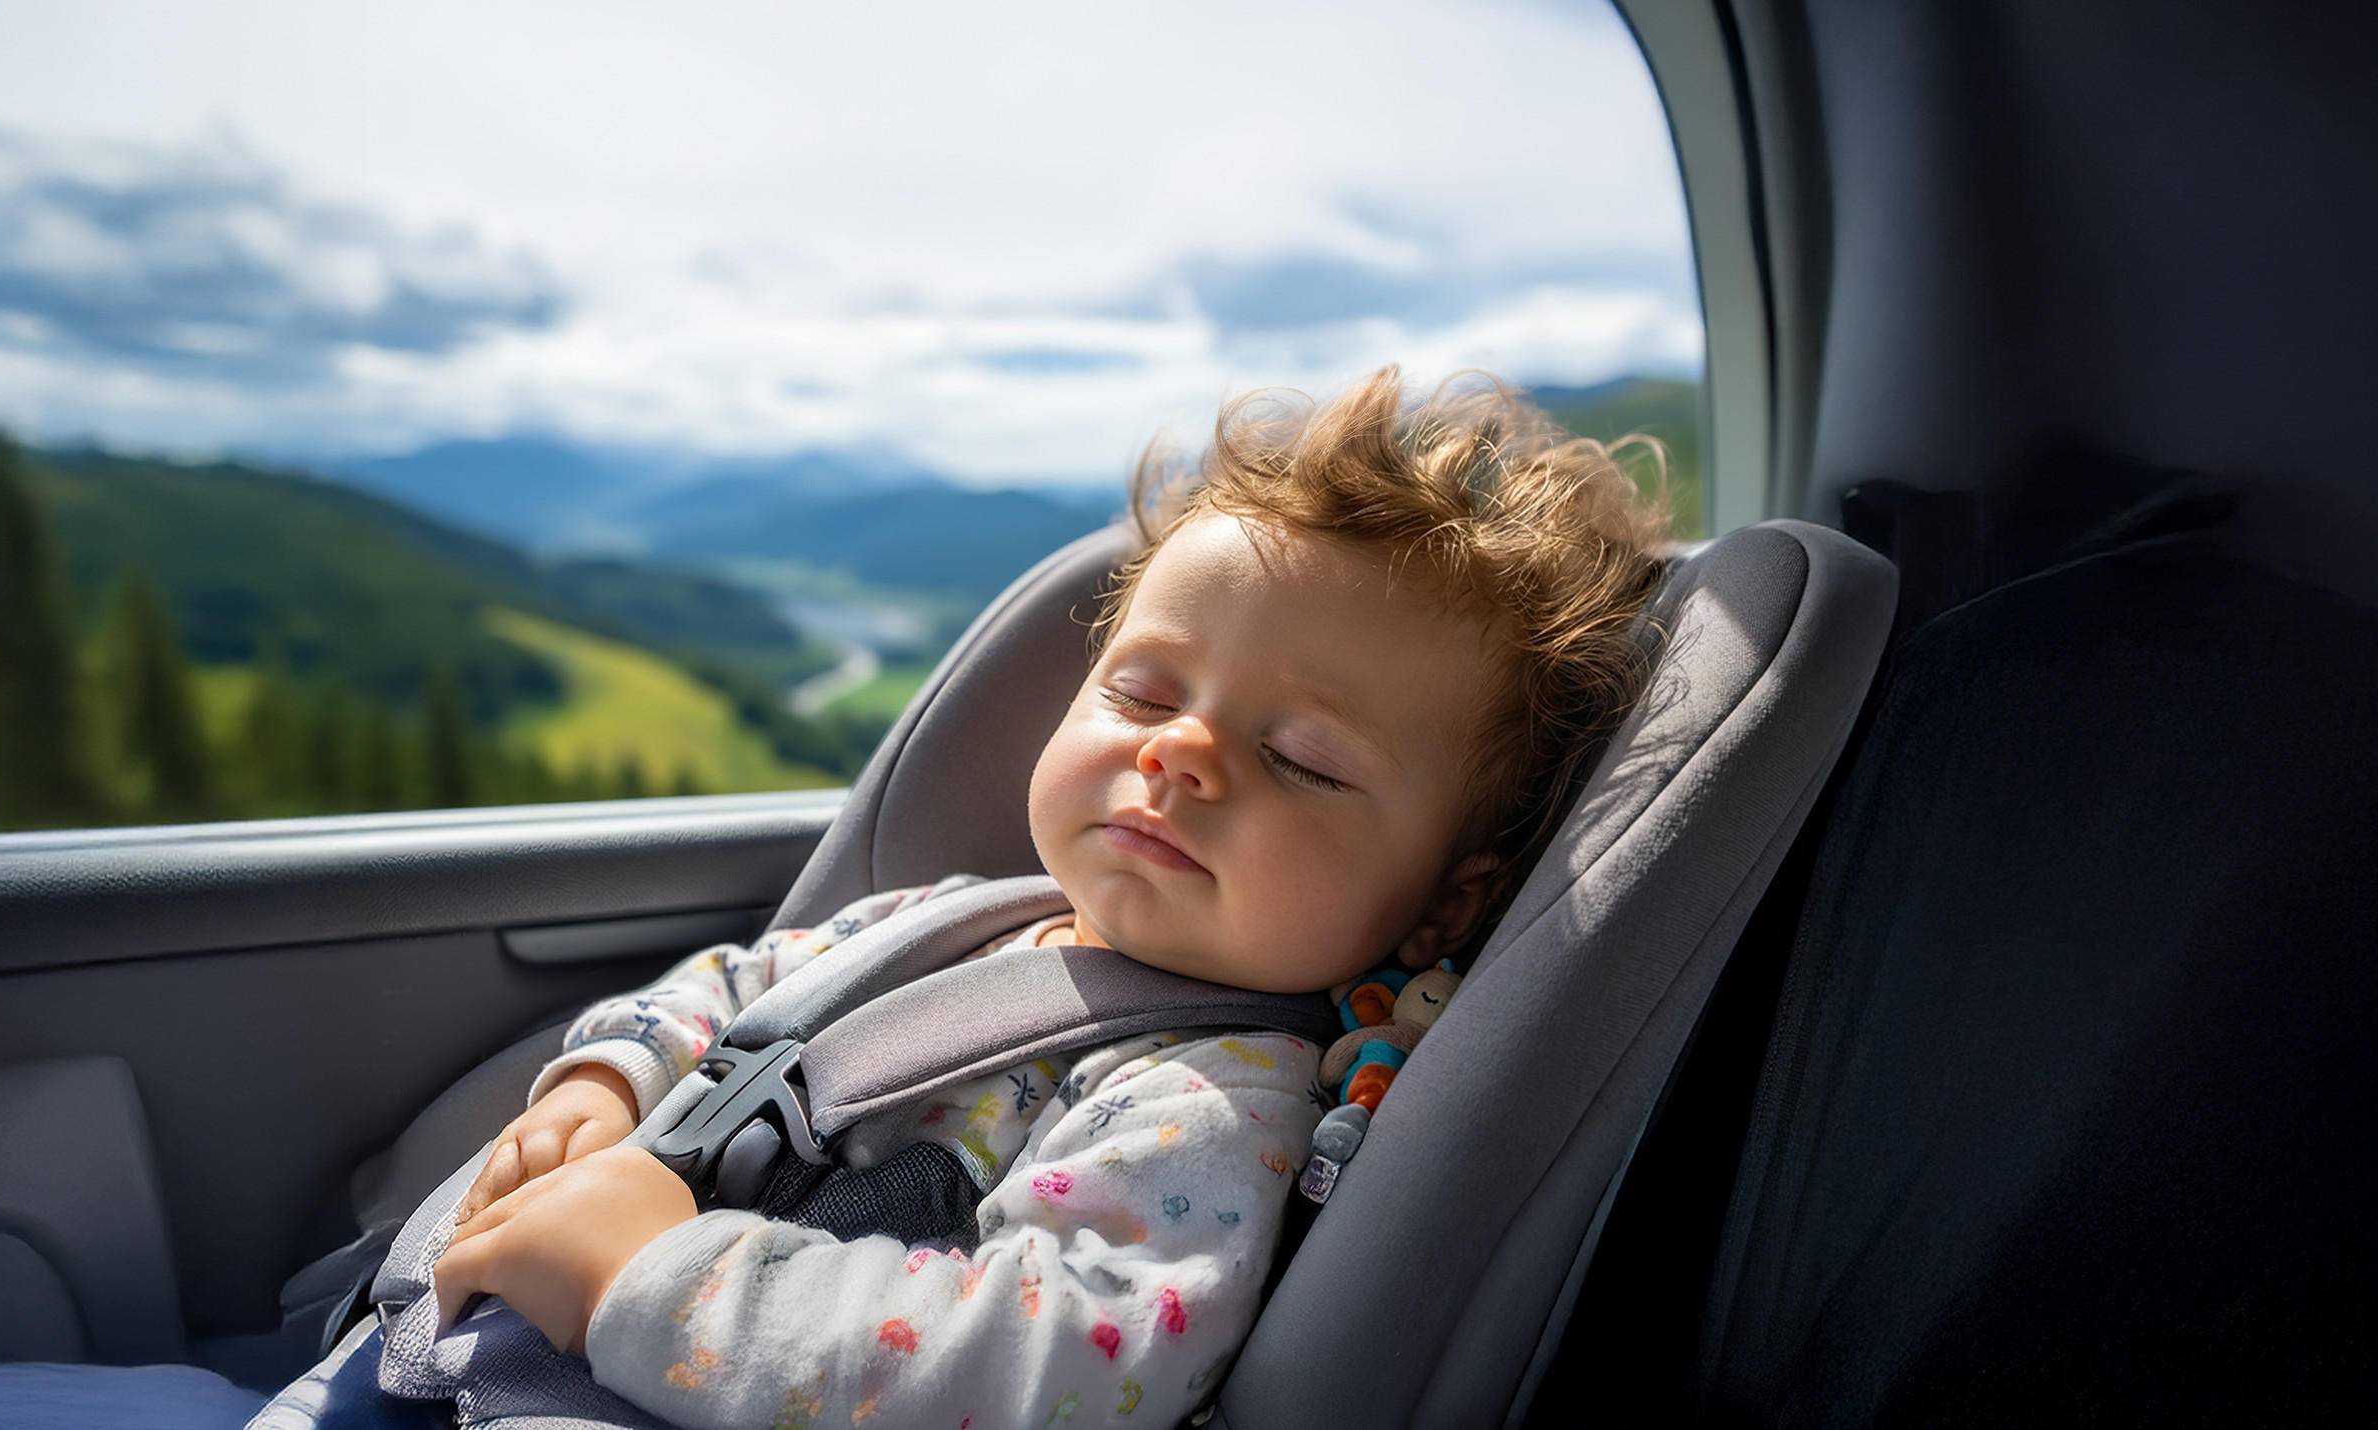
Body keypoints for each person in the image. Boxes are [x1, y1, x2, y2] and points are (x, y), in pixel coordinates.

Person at [264, 366, 1668, 1429]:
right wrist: (613, 1082)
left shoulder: (1214, 1098)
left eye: (1299, 758)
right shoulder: (942, 919)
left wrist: (663, 1280)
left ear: (1441, 906)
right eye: (1142, 688)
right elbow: (735, 988)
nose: (1178, 750)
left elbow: (1057, 1357)